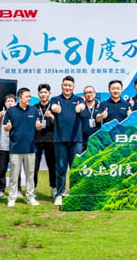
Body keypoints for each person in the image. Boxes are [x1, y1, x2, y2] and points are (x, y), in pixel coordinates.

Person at [3, 88, 42, 207]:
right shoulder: (11, 111)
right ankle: (12, 198)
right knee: (14, 175)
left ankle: (30, 197)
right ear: (19, 98)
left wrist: (39, 126)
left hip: (30, 148)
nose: (29, 98)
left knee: (30, 175)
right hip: (15, 148)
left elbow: (38, 125)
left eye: (30, 96)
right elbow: (5, 126)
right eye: (26, 96)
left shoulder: (34, 110)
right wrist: (8, 127)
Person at [50, 75, 84, 206]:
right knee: (61, 168)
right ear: (61, 86)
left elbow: (82, 106)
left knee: (75, 168)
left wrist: (80, 107)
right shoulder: (55, 99)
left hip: (76, 139)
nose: (67, 88)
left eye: (70, 85)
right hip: (60, 139)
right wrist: (55, 109)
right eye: (65, 85)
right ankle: (60, 194)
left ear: (73, 87)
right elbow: (53, 107)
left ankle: (75, 193)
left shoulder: (78, 99)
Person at [34, 84, 56, 198]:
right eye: (41, 92)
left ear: (49, 94)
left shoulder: (54, 107)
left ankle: (54, 188)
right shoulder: (34, 107)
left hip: (50, 140)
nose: (43, 94)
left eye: (45, 92)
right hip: (36, 140)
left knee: (52, 166)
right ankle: (32, 188)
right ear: (38, 94)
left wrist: (51, 116)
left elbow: (59, 124)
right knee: (34, 166)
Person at [0, 94, 17, 200]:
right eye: (8, 101)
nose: (10, 103)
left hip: (16, 147)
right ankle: (1, 191)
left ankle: (17, 190)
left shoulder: (19, 113)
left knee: (16, 170)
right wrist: (1, 116)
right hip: (3, 147)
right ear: (5, 103)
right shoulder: (1, 114)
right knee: (2, 170)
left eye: (12, 101)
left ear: (15, 103)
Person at [79, 85, 101, 151]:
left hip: (96, 140)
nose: (89, 94)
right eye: (86, 93)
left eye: (91, 92)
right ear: (84, 95)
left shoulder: (100, 106)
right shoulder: (81, 107)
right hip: (83, 141)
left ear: (95, 93)